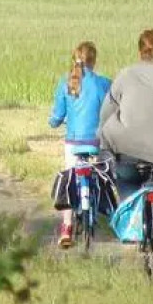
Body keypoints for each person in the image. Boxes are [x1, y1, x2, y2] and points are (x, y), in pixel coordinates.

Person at [99, 28, 153, 202]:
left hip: (128, 153)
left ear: (140, 52)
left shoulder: (125, 75)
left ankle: (130, 224)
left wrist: (103, 139)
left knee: (129, 202)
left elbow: (105, 113)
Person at [48, 41, 113, 248]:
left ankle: (66, 226)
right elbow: (112, 111)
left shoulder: (65, 83)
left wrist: (54, 122)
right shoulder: (104, 83)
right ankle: (105, 211)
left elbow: (57, 116)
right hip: (97, 140)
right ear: (94, 61)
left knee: (69, 180)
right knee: (104, 176)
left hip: (74, 142)